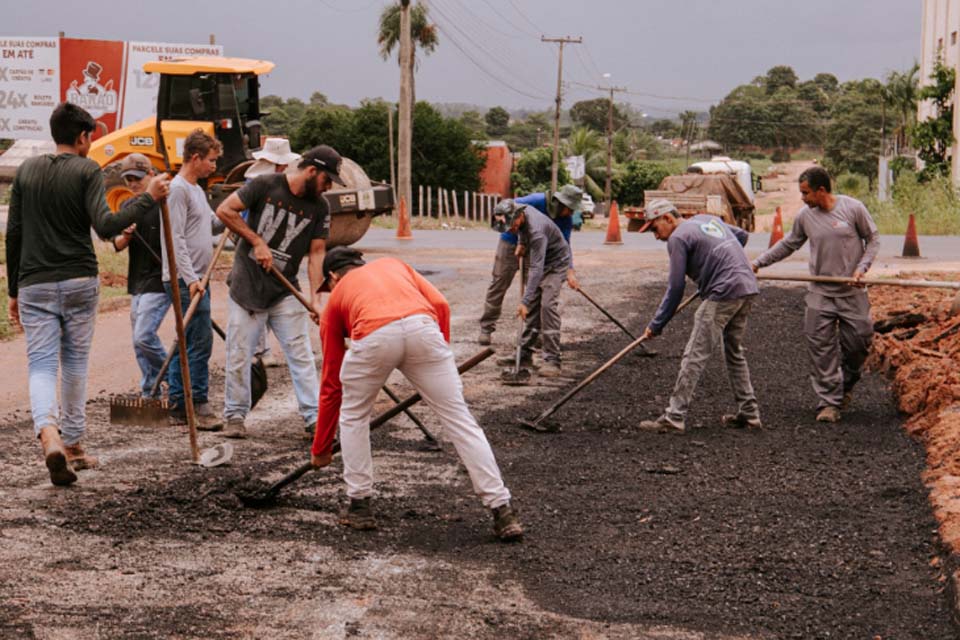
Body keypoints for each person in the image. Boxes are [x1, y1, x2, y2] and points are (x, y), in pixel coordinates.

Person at [310, 247, 523, 542]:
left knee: (354, 415)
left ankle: (360, 505)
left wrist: (320, 449)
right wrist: (440, 362)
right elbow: (440, 304)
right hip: (424, 329)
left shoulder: (336, 299)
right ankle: (502, 509)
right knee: (460, 421)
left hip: (373, 337)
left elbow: (331, 384)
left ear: (333, 276)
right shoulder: (394, 265)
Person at [5, 103, 169, 485]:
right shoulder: (87, 169)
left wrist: (14, 289)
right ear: (82, 137)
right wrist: (150, 197)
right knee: (75, 362)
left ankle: (49, 433)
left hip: (34, 282)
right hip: (79, 280)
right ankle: (75, 444)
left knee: (42, 364)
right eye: (90, 137)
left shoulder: (27, 170)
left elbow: (14, 234)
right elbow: (106, 223)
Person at [215, 145, 339, 439]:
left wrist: (316, 299)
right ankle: (235, 416)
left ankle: (314, 418)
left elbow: (317, 253)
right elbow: (225, 210)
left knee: (301, 355)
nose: (329, 186)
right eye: (327, 179)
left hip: (285, 291)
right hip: (247, 287)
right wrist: (256, 241)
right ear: (311, 171)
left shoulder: (320, 207)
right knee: (239, 353)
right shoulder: (264, 186)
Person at [752, 166, 880, 423]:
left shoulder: (853, 209)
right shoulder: (805, 216)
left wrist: (861, 268)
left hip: (851, 292)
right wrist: (758, 263)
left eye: (806, 193)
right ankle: (829, 403)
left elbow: (873, 239)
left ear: (822, 190)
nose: (803, 198)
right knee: (820, 348)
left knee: (859, 344)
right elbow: (789, 243)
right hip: (820, 292)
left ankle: (846, 382)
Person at [635, 199, 761, 433]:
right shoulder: (707, 219)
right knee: (734, 352)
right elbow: (741, 236)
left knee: (694, 354)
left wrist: (656, 324)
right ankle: (749, 413)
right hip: (746, 287)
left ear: (668, 219)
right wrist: (725, 263)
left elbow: (675, 288)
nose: (656, 236)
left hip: (723, 292)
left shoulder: (678, 238)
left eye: (655, 228)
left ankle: (674, 416)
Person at [160, 129, 225, 429]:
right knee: (199, 341)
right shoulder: (178, 190)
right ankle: (195, 403)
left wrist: (233, 211)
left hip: (201, 276)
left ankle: (177, 404)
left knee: (189, 339)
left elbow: (209, 225)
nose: (214, 166)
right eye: (211, 160)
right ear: (195, 157)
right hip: (185, 279)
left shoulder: (197, 189)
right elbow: (174, 240)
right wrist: (188, 279)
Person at [478, 185, 582, 346]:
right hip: (510, 242)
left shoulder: (565, 219)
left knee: (534, 290)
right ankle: (486, 327)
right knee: (499, 283)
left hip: (536, 247)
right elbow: (508, 206)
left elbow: (565, 243)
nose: (572, 213)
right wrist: (520, 240)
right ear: (562, 204)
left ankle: (532, 334)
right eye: (571, 209)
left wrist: (570, 270)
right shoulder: (536, 201)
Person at [492, 199, 573, 377]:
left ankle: (552, 360)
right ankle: (525, 354)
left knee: (546, 305)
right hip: (541, 260)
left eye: (512, 226)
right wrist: (521, 242)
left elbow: (536, 269)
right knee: (532, 308)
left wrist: (524, 301)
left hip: (556, 263)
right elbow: (522, 229)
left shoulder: (537, 231)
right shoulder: (521, 212)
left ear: (518, 216)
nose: (510, 230)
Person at [111, 153, 171, 396]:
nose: (133, 183)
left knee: (144, 336)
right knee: (138, 343)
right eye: (128, 179)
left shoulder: (166, 202)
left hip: (160, 279)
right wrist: (126, 235)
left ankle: (175, 376)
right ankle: (150, 391)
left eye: (137, 177)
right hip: (137, 280)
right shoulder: (128, 207)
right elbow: (115, 244)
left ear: (151, 175)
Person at [242, 138, 302, 368]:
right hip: (257, 248)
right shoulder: (258, 184)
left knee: (267, 302)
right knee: (257, 302)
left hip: (270, 247)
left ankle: (261, 348)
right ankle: (258, 350)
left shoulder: (268, 181)